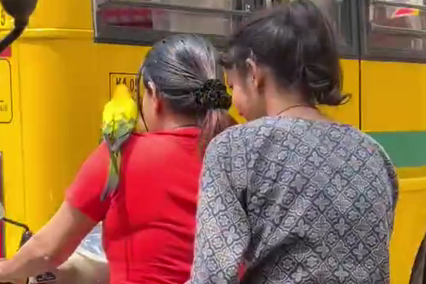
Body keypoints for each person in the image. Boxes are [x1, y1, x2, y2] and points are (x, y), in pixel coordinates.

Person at [187, 0, 399, 283]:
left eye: (232, 85)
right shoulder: (373, 154)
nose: (233, 100)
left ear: (253, 73)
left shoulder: (234, 149)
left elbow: (211, 276)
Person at [0, 34, 235, 284]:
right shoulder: (238, 154)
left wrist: (7, 270)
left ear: (153, 95)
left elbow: (46, 251)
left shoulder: (122, 156)